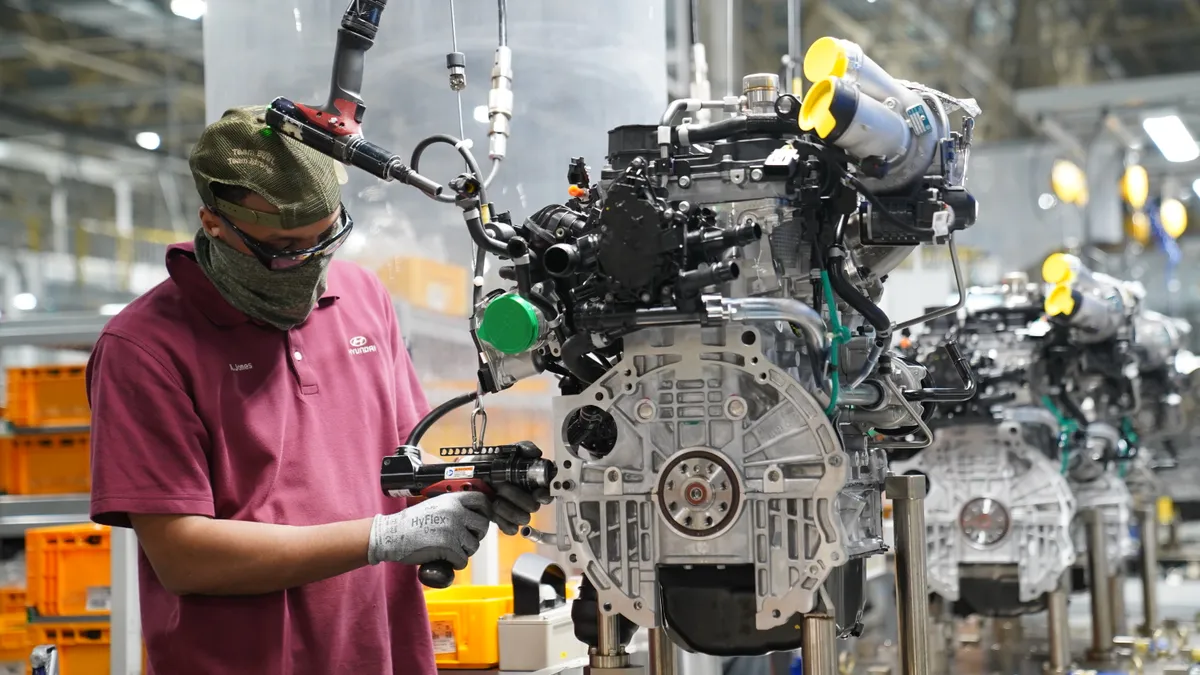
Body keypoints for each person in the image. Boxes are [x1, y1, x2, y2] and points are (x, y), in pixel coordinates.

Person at [86, 105, 550, 674]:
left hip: (382, 652)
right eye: (284, 248)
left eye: (325, 238)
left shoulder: (360, 295)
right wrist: (379, 537)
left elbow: (401, 471)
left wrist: (472, 487)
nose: (310, 264)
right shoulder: (144, 348)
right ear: (213, 223)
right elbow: (183, 557)